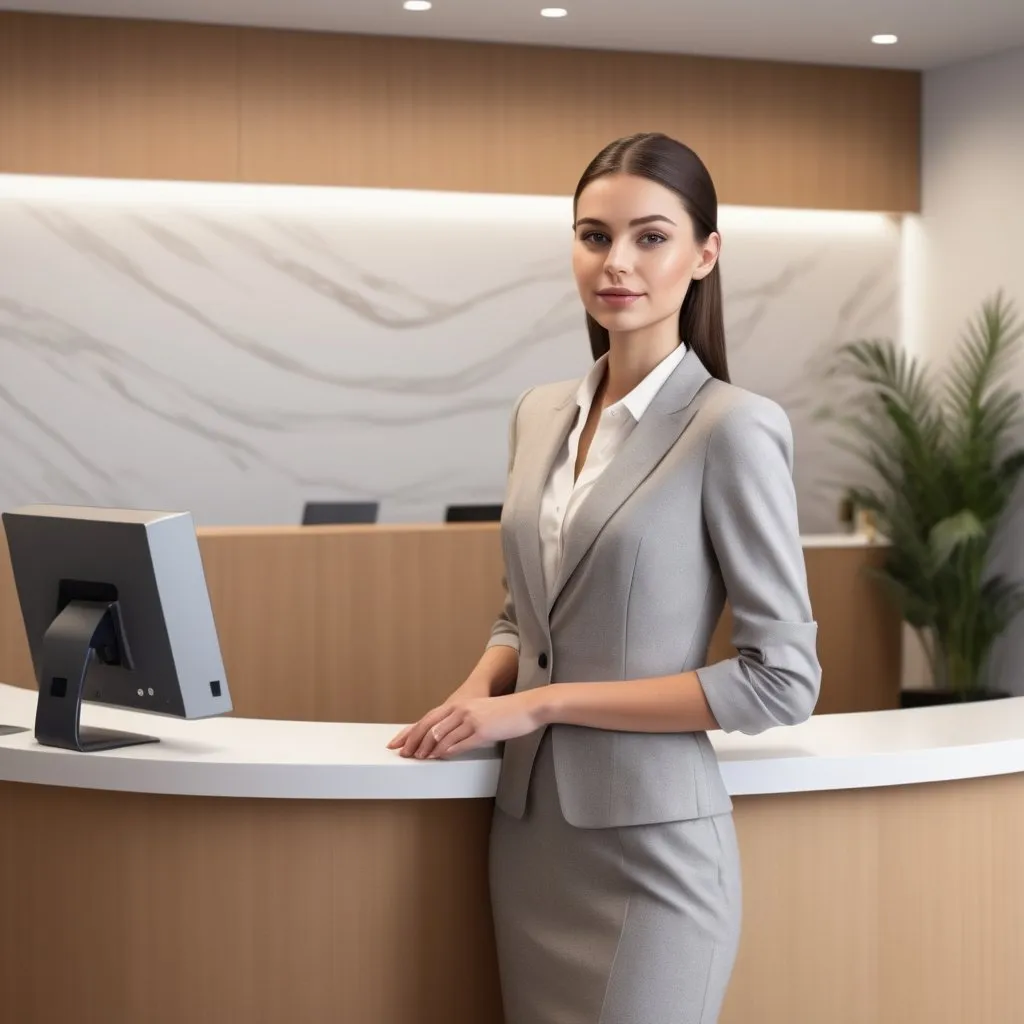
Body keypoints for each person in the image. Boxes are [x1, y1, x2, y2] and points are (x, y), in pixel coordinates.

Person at [388, 132, 821, 1024]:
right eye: (594, 236)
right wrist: (472, 700)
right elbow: (524, 615)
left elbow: (782, 680)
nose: (616, 262)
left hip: (652, 851)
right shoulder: (538, 413)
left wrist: (539, 706)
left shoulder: (732, 428)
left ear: (706, 255)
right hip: (528, 836)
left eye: (650, 237)